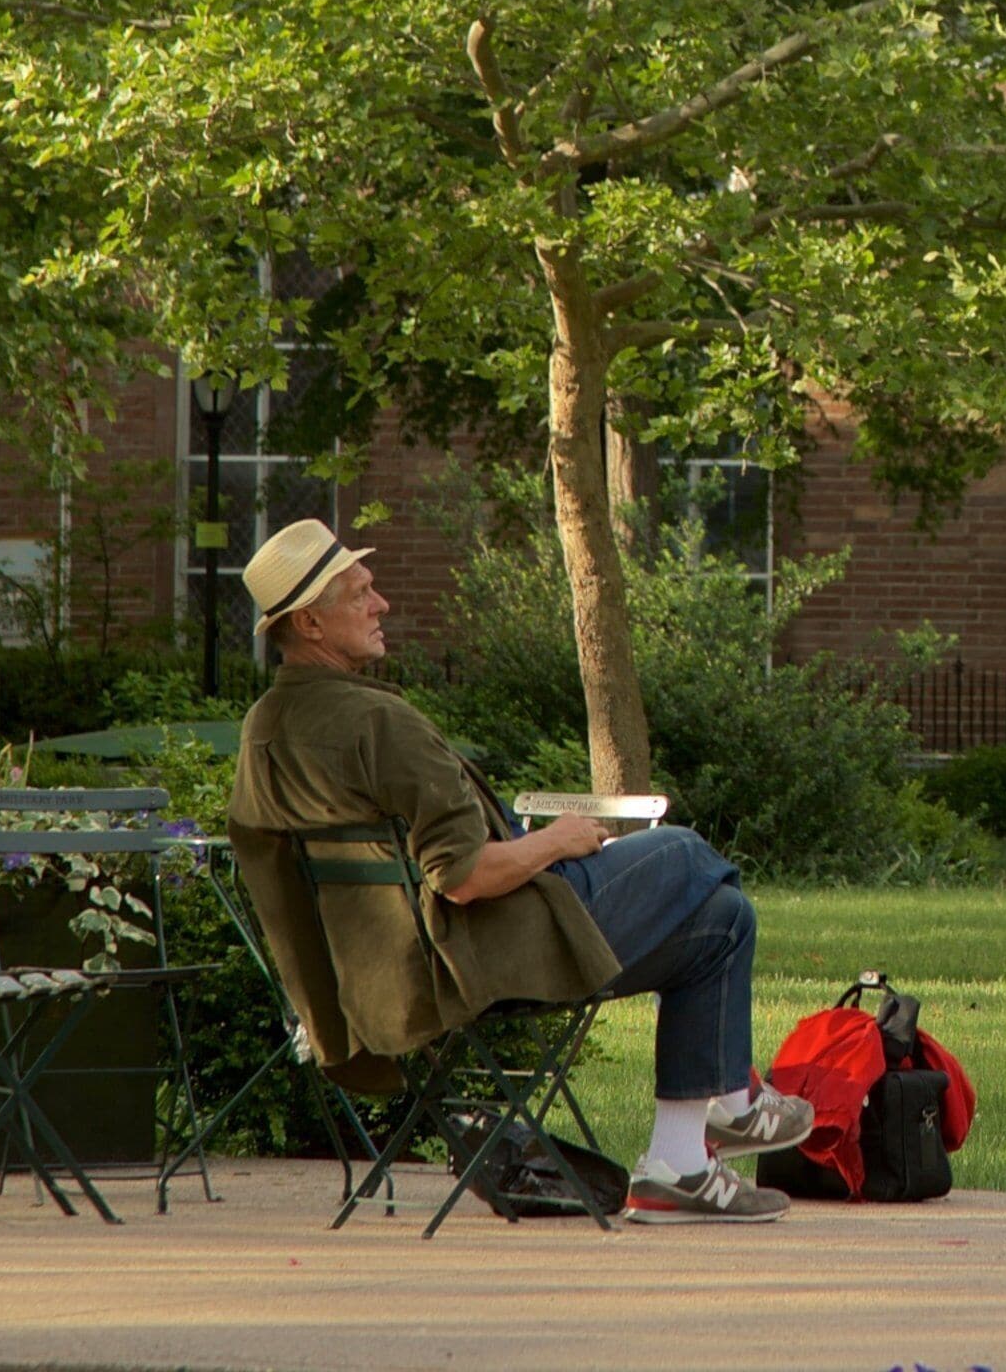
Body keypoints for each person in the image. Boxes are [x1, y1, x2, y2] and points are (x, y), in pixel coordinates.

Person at [226, 518, 808, 1221]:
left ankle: (681, 1167)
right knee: (683, 851)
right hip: (478, 957)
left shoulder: (263, 731)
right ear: (311, 623)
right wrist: (557, 841)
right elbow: (464, 877)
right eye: (361, 593)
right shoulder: (378, 724)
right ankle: (736, 1104)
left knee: (721, 922)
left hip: (375, 978)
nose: (381, 604)